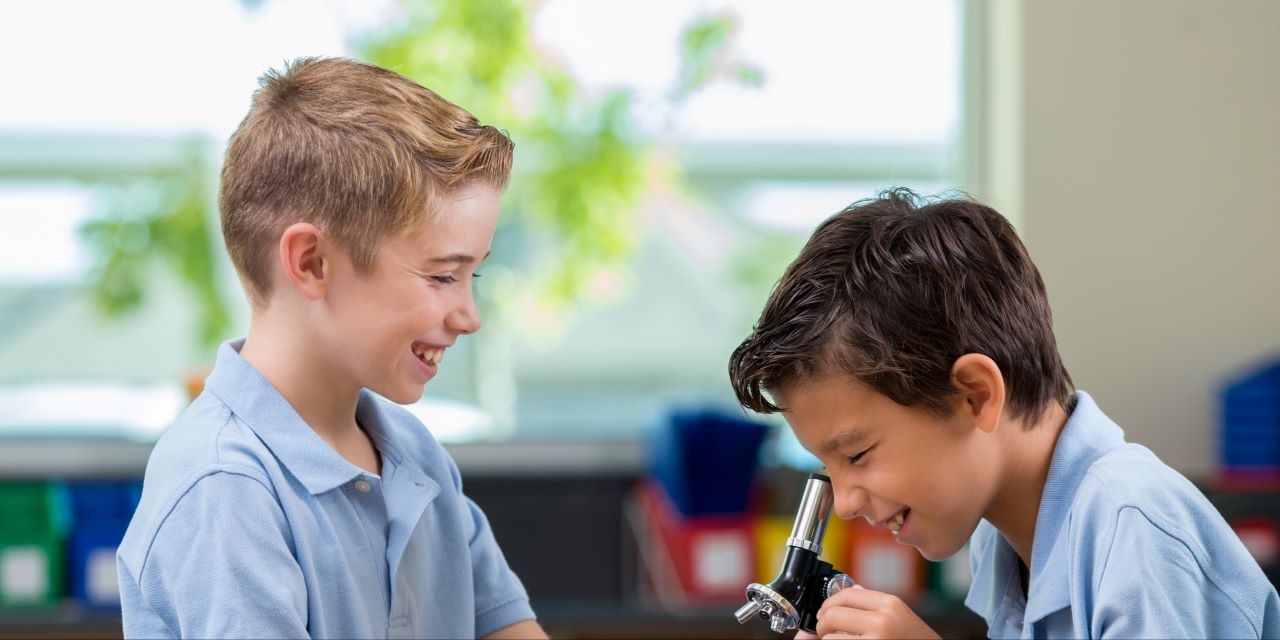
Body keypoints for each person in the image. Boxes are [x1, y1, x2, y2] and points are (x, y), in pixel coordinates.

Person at [117, 57, 545, 639]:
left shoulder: (414, 458)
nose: (470, 317)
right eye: (443, 276)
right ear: (312, 263)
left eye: (476, 276)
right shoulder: (225, 491)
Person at [728, 189, 1280, 639]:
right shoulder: (1004, 540)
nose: (844, 503)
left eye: (858, 454)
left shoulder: (1132, 525)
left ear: (975, 395)